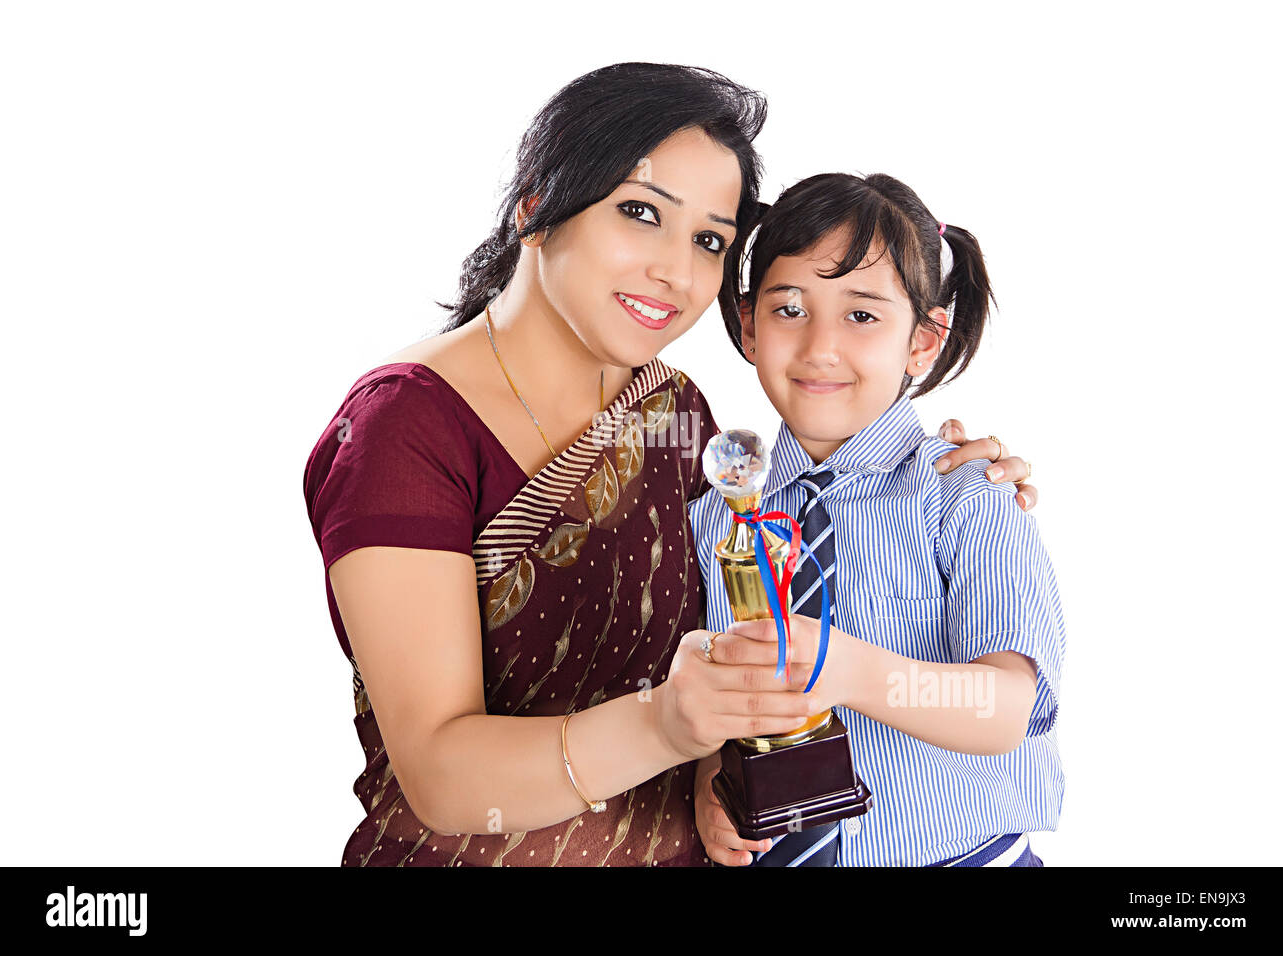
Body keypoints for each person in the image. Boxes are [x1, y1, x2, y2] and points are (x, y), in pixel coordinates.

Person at [303, 63, 1039, 867]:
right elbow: (441, 778)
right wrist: (666, 729)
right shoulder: (405, 429)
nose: (676, 272)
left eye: (710, 240)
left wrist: (712, 773)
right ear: (537, 206)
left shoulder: (677, 421)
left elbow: (722, 658)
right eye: (640, 212)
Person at [689, 172, 1063, 867]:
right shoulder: (714, 518)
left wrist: (849, 670)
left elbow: (1010, 707)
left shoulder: (965, 493)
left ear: (922, 341)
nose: (820, 345)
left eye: (862, 315)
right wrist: (710, 790)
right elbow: (715, 698)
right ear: (747, 323)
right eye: (789, 309)